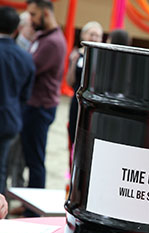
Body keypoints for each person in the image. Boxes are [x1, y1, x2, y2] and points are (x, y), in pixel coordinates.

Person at [21, 0, 66, 217]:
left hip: (40, 109)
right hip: (33, 107)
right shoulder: (44, 38)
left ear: (46, 14)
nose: (30, 19)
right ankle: (29, 203)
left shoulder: (53, 43)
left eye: (33, 14)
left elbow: (28, 68)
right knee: (30, 159)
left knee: (35, 161)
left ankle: (33, 213)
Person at [0, 6, 35, 195]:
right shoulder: (26, 58)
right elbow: (25, 95)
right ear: (16, 29)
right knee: (1, 167)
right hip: (10, 119)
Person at [66, 21, 103, 152]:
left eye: (97, 35)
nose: (94, 38)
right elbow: (69, 82)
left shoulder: (102, 58)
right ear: (83, 35)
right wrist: (73, 62)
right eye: (91, 34)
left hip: (94, 105)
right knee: (73, 133)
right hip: (76, 102)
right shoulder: (76, 55)